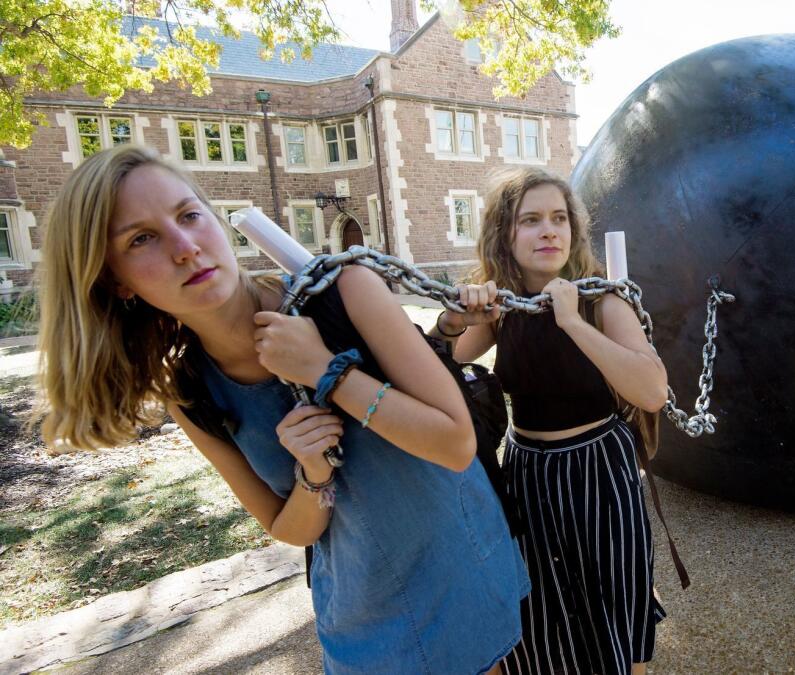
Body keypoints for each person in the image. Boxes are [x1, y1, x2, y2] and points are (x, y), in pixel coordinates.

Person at [35, 145, 529, 674]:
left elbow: (454, 444)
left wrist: (327, 372)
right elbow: (287, 529)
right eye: (141, 239)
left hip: (459, 585)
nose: (185, 248)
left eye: (189, 216)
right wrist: (314, 474)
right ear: (114, 280)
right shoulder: (187, 390)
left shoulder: (345, 290)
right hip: (361, 622)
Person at [430, 167, 668, 675]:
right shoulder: (502, 308)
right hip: (529, 476)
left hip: (600, 473)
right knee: (540, 616)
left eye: (559, 218)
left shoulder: (603, 299)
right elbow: (433, 372)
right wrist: (453, 321)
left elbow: (652, 391)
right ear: (505, 235)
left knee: (616, 607)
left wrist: (572, 320)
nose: (549, 230)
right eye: (531, 220)